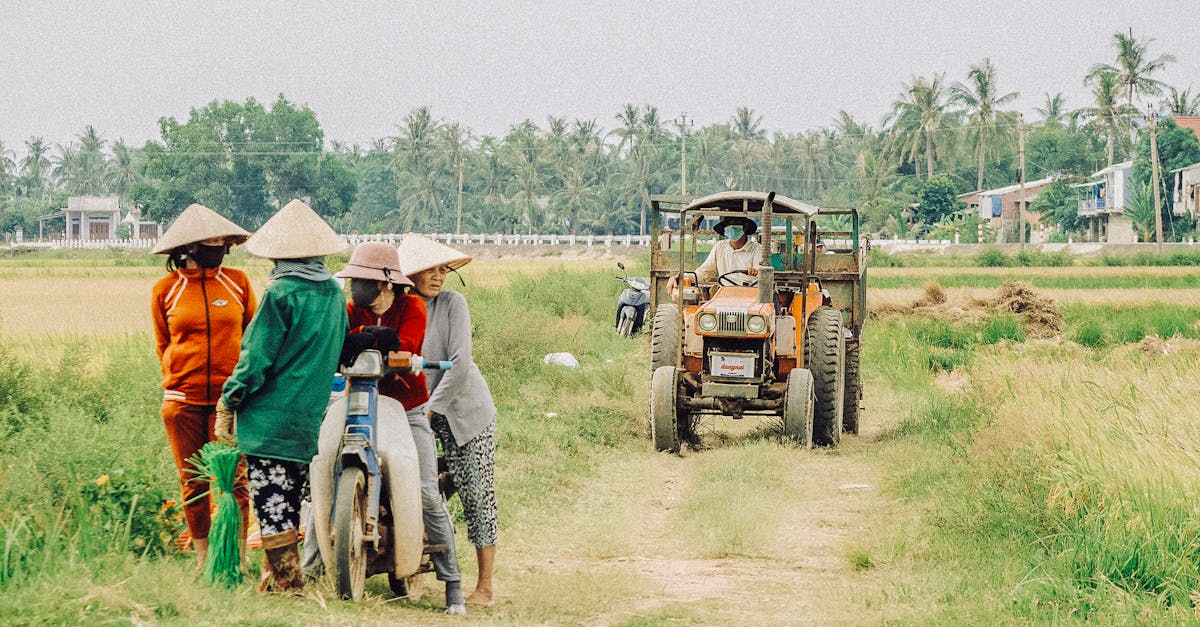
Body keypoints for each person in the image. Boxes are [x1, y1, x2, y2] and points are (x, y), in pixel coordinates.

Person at [215, 199, 348, 594]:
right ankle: (275, 581)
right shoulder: (333, 296)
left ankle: (289, 583)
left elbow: (255, 358)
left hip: (270, 420)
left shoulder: (281, 294)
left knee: (272, 505)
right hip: (308, 417)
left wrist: (229, 399)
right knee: (290, 501)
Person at [333, 241, 467, 614]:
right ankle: (314, 564)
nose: (356, 287)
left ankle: (452, 581)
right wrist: (365, 339)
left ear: (386, 284)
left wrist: (367, 340)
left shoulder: (412, 307)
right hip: (361, 401)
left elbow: (405, 345)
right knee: (328, 467)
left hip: (407, 406)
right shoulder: (349, 308)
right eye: (355, 279)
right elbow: (341, 345)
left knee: (425, 488)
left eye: (364, 280)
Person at [150, 203, 254, 571]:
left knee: (236, 480)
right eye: (211, 240)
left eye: (223, 240)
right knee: (193, 482)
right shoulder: (166, 290)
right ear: (190, 246)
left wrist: (242, 384)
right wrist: (174, 379)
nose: (219, 245)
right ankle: (205, 562)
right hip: (183, 401)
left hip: (231, 400)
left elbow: (252, 337)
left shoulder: (237, 282)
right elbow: (164, 343)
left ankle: (237, 562)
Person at [398, 234, 499, 608]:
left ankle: (485, 587)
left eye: (442, 269)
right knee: (412, 485)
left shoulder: (453, 303)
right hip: (416, 410)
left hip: (463, 412)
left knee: (476, 494)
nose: (438, 276)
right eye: (430, 269)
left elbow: (458, 364)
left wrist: (431, 407)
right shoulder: (402, 307)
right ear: (411, 274)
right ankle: (413, 559)